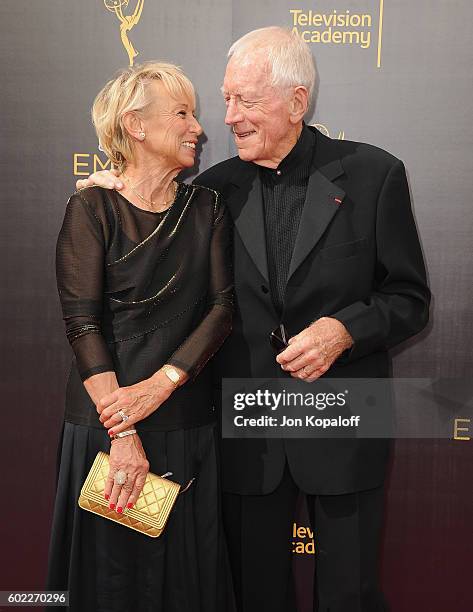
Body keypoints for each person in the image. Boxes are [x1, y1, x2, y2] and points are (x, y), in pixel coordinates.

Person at [78, 27, 430, 612]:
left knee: (350, 592)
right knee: (254, 592)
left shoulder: (374, 175)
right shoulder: (212, 190)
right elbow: (146, 212)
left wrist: (345, 330)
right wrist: (106, 189)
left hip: (342, 418)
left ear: (297, 102)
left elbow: (408, 298)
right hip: (249, 426)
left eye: (247, 100)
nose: (230, 116)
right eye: (227, 99)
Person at [48, 62, 234, 612]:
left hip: (183, 422)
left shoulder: (209, 208)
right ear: (135, 125)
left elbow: (224, 308)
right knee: (110, 584)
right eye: (181, 113)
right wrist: (124, 430)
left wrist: (162, 384)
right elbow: (83, 325)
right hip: (108, 431)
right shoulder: (90, 208)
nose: (198, 128)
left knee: (185, 584)